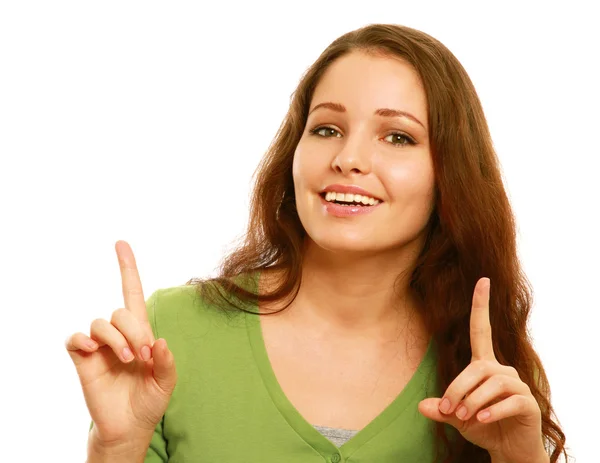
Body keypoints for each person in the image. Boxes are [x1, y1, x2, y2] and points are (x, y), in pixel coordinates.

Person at [66, 23, 568, 463]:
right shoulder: (167, 335)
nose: (349, 158)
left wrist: (519, 458)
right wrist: (116, 448)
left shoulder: (491, 373)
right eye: (326, 128)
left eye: (397, 137)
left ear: (450, 174)